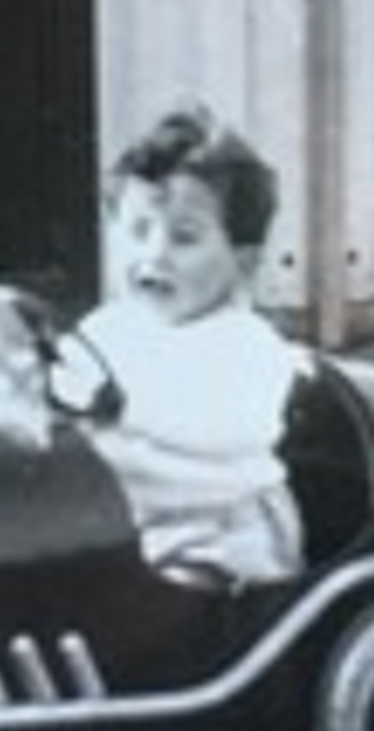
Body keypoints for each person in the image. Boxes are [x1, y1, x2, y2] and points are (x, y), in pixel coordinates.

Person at [75, 104, 306, 589]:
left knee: (175, 590)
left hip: (217, 528)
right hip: (126, 525)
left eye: (184, 238)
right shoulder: (108, 328)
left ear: (242, 260)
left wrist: (117, 406)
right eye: (137, 230)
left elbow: (233, 428)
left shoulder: (244, 345)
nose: (153, 254)